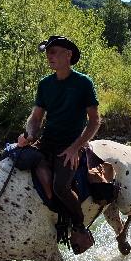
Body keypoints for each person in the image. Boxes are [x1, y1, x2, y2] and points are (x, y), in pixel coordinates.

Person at [17, 35, 100, 248]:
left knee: (61, 186)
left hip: (70, 145)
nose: (49, 56)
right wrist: (29, 136)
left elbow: (94, 121)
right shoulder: (45, 84)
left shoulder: (83, 83)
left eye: (53, 52)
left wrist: (75, 148)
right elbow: (36, 118)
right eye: (47, 52)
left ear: (68, 54)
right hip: (47, 141)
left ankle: (79, 226)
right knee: (15, 162)